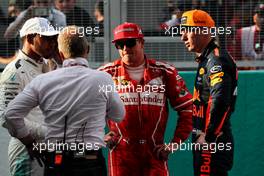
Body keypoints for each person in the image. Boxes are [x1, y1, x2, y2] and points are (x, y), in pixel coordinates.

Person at [4, 25, 125, 176]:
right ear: (87, 49)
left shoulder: (43, 81)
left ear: (61, 54)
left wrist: (29, 142)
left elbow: (10, 115)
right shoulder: (103, 79)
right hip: (90, 158)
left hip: (57, 159)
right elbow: (119, 115)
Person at [99, 22, 193, 176]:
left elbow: (188, 109)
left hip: (155, 154)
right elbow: (87, 107)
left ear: (141, 42)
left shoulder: (164, 72)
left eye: (130, 43)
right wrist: (98, 136)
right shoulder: (106, 74)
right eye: (119, 45)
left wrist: (174, 144)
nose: (125, 49)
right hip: (121, 156)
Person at [180, 9, 237, 176]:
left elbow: (221, 99)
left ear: (203, 31)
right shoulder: (208, 58)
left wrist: (209, 136)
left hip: (212, 143)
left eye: (187, 30)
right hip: (205, 140)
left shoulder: (216, 59)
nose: (182, 37)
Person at [0, 17, 59, 176]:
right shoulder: (14, 71)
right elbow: (7, 116)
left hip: (48, 147)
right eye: (47, 38)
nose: (53, 43)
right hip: (27, 148)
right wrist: (33, 140)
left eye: (54, 38)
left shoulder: (47, 65)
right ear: (30, 38)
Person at [231, 3, 264, 69]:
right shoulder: (241, 33)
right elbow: (233, 57)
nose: (263, 19)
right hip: (247, 75)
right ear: (254, 17)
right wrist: (245, 64)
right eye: (260, 15)